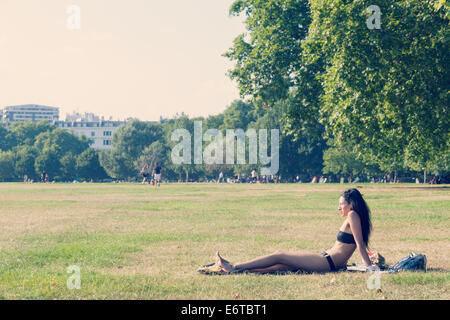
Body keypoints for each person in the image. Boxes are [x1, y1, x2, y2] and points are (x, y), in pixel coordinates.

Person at [215, 188, 376, 273]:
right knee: (281, 266)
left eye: (341, 204)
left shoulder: (353, 215)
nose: (339, 208)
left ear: (351, 204)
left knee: (279, 255)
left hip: (327, 263)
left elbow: (359, 245)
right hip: (326, 259)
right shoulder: (354, 216)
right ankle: (240, 270)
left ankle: (234, 267)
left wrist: (370, 269)